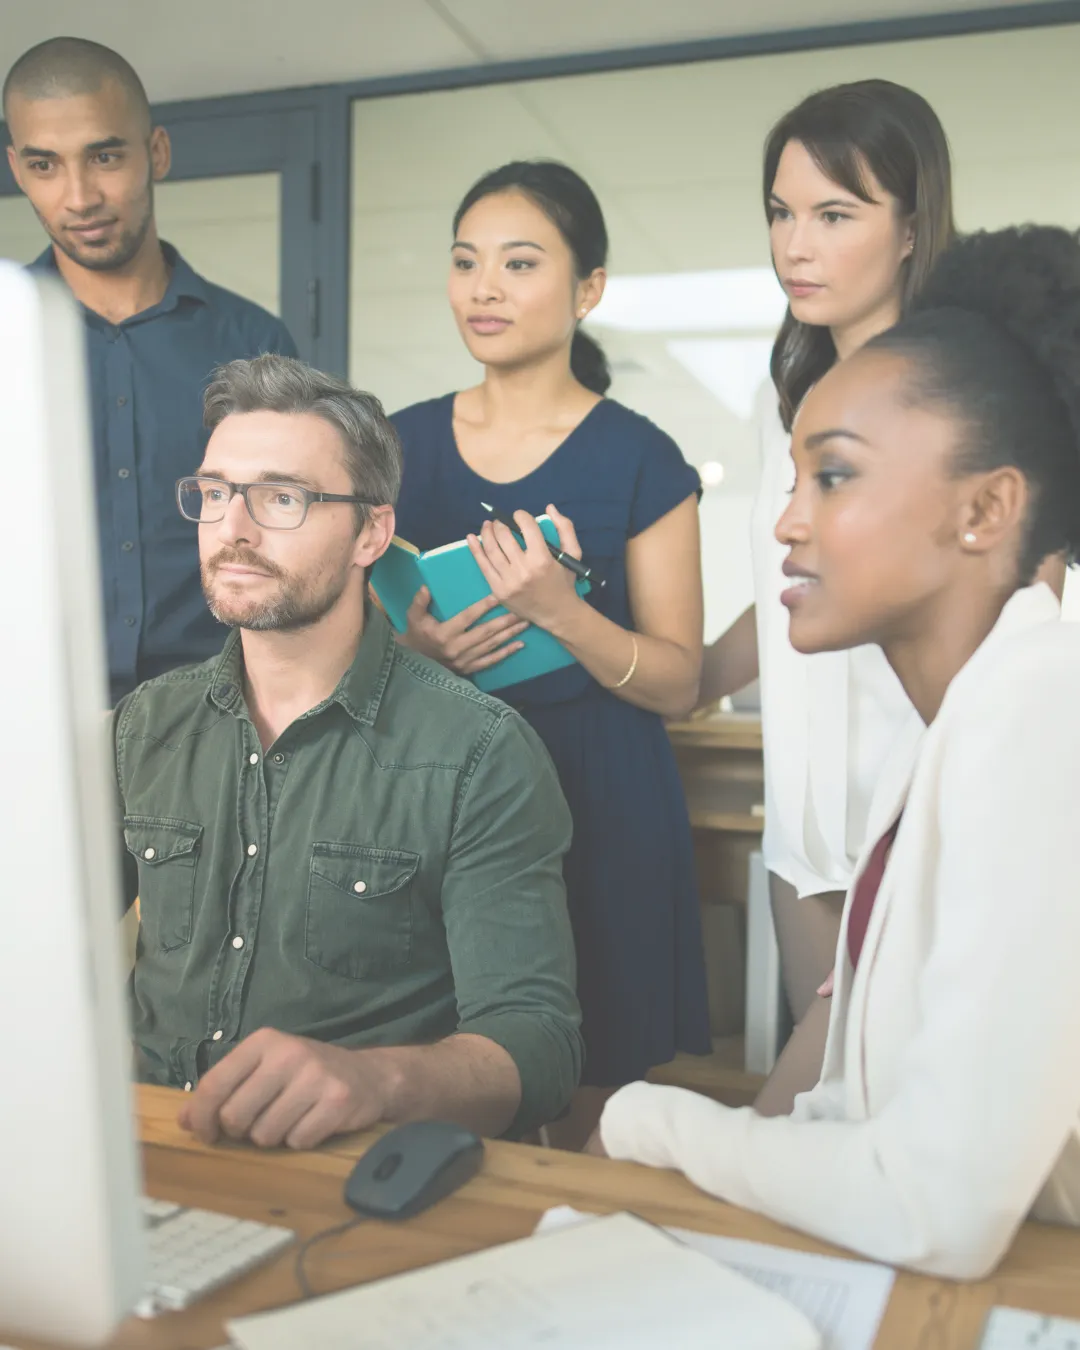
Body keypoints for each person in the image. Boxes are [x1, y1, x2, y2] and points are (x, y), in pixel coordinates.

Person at [595, 224, 1080, 1280]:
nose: (785, 526)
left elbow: (934, 1208)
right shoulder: (960, 720)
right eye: (793, 482)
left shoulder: (1043, 706)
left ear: (986, 508)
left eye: (834, 478)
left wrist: (652, 1121)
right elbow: (855, 1107)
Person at [116, 354, 583, 1149]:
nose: (234, 528)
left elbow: (539, 1047)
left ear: (372, 531)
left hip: (349, 1171)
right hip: (145, 1151)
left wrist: (379, 1081)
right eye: (216, 493)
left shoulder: (478, 752)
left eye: (282, 498)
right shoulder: (144, 725)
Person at [390, 160, 711, 1149]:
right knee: (437, 1084)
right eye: (465, 263)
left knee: (586, 1108)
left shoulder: (642, 458)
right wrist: (413, 654)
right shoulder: (391, 448)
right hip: (435, 792)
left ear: (588, 289)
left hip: (602, 795)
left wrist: (558, 610)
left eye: (519, 264)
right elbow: (338, 649)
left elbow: (679, 683)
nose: (484, 289)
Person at [696, 81, 956, 1113]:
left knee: (866, 1112)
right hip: (803, 821)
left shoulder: (961, 392)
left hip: (920, 807)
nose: (795, 245)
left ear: (909, 229)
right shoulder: (783, 391)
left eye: (835, 214)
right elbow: (788, 582)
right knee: (822, 1110)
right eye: (781, 211)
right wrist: (693, 676)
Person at [3, 37, 297, 705]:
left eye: (104, 156)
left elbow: (293, 539)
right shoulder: (4, 341)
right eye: (46, 165)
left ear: (155, 153)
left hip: (217, 717)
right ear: (18, 170)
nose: (79, 196)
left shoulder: (253, 343)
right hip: (28, 715)